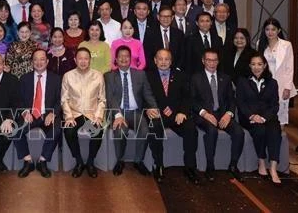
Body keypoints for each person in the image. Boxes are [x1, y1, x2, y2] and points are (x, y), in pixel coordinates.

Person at [146, 49, 200, 184]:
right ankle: (158, 165)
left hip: (177, 115)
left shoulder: (181, 75)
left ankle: (190, 167)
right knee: (154, 128)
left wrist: (183, 112)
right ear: (155, 60)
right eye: (160, 59)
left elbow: (187, 97)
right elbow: (142, 96)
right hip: (158, 114)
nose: (163, 62)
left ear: (171, 61)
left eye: (166, 59)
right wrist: (147, 109)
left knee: (191, 129)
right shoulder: (148, 76)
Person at [191, 49, 244, 181]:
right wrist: (205, 114)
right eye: (209, 60)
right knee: (211, 130)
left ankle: (233, 165)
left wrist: (229, 114)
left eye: (215, 60)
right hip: (204, 115)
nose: (212, 63)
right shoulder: (196, 78)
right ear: (203, 61)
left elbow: (232, 99)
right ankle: (210, 166)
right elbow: (192, 101)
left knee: (239, 132)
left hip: (222, 114)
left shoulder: (225, 78)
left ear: (218, 61)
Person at [105, 46, 158, 177]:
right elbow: (110, 98)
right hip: (119, 112)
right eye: (121, 56)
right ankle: (120, 160)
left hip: (136, 112)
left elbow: (148, 94)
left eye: (127, 56)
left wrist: (153, 107)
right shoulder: (109, 76)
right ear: (116, 59)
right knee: (120, 130)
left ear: (131, 59)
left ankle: (138, 161)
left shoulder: (140, 74)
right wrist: (117, 115)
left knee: (145, 130)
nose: (124, 59)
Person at [236, 53, 282, 185]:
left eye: (260, 64)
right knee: (259, 130)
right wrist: (253, 116)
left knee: (274, 131)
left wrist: (263, 117)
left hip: (268, 117)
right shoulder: (243, 81)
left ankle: (273, 168)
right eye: (253, 64)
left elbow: (275, 105)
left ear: (265, 66)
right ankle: (261, 161)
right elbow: (241, 103)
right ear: (249, 66)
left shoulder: (272, 83)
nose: (256, 67)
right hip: (248, 117)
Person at [15, 49, 62, 178]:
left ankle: (43, 161)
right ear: (32, 62)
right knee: (16, 129)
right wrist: (25, 112)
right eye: (36, 59)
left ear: (47, 61)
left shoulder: (56, 79)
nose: (39, 62)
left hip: (47, 115)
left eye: (42, 59)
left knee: (57, 129)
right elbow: (19, 100)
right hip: (30, 115)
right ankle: (28, 161)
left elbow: (60, 100)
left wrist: (53, 113)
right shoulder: (25, 79)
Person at [62, 47, 106, 178]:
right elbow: (64, 99)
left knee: (98, 130)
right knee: (68, 130)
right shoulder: (68, 76)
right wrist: (68, 116)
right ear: (75, 60)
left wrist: (98, 116)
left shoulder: (98, 76)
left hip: (91, 113)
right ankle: (79, 162)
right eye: (80, 58)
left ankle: (91, 162)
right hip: (74, 113)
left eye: (86, 58)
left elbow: (102, 99)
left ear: (90, 60)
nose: (83, 61)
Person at [257, 18, 297, 126]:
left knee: (280, 115)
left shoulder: (286, 45)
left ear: (278, 30)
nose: (270, 32)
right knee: (265, 110)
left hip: (281, 84)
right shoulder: (260, 44)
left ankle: (280, 135)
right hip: (265, 82)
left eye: (273, 29)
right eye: (267, 29)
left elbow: (290, 67)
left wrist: (287, 87)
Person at [153, 6, 185, 70]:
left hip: (175, 70)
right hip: (155, 70)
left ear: (172, 17)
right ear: (158, 17)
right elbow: (148, 54)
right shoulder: (151, 33)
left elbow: (182, 53)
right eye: (163, 16)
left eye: (168, 16)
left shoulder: (179, 34)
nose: (166, 19)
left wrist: (177, 68)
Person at [131, 1, 159, 68]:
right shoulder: (130, 24)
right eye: (139, 9)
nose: (141, 11)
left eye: (144, 9)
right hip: (133, 63)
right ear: (134, 11)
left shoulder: (155, 25)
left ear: (148, 12)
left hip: (150, 63)